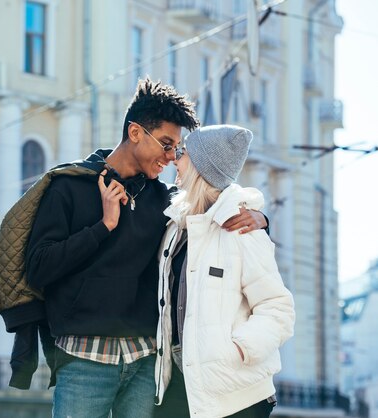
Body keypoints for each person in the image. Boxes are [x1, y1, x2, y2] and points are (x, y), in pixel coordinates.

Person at [21, 79, 268, 418]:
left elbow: (216, 209)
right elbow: (38, 267)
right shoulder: (69, 187)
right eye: (166, 144)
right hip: (84, 361)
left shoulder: (166, 200)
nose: (171, 157)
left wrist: (259, 215)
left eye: (177, 148)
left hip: (145, 363)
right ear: (135, 132)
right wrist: (103, 227)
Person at [153, 125, 296, 418]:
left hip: (236, 394)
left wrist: (239, 350)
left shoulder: (242, 228)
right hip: (182, 382)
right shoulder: (176, 227)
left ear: (200, 166)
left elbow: (278, 308)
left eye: (182, 153)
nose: (175, 160)